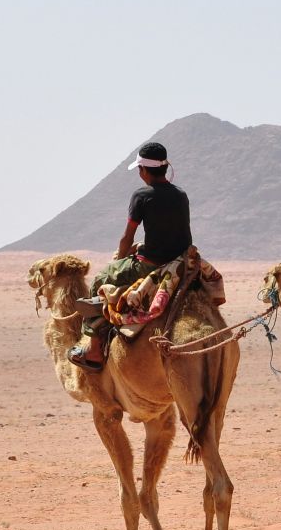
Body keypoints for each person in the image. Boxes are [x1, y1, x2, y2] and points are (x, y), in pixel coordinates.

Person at [67, 140, 193, 372]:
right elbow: (176, 233)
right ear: (165, 168)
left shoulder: (142, 195)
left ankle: (93, 349)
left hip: (150, 265)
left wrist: (120, 259)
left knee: (100, 281)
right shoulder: (181, 195)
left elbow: (127, 236)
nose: (139, 173)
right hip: (181, 262)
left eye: (139, 169)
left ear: (144, 170)